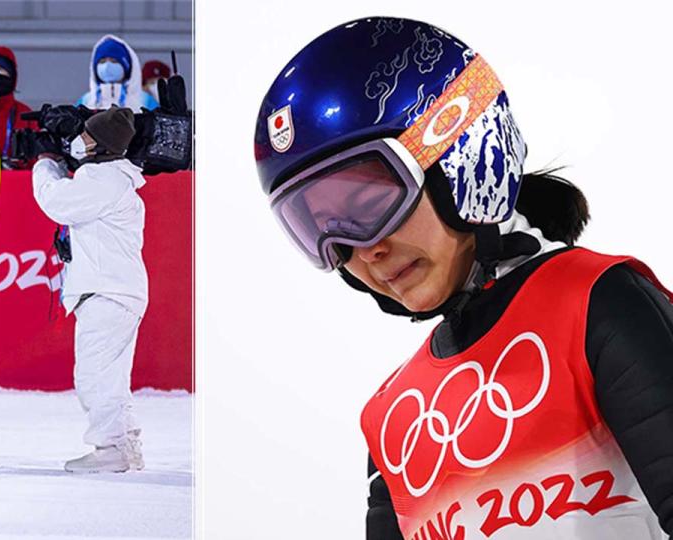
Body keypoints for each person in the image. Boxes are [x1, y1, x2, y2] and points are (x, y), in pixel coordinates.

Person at [254, 17, 672, 539]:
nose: (367, 252)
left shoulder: (596, 304)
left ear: (461, 159)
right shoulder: (393, 421)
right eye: (327, 233)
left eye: (369, 204)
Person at [32, 106, 148, 473]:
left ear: (99, 145)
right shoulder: (114, 178)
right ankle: (125, 444)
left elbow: (55, 201)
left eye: (85, 136)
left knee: (94, 376)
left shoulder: (104, 181)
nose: (78, 142)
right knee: (112, 376)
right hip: (118, 291)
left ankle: (109, 448)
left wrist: (44, 163)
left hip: (107, 291)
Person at [76, 34, 158, 112]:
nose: (107, 66)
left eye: (114, 61)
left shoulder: (145, 100)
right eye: (102, 61)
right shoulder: (85, 101)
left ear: (127, 66)